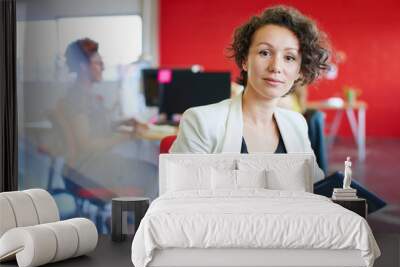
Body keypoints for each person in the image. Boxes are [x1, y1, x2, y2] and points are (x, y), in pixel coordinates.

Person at [170, 6, 385, 213]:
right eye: (265, 53)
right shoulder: (201, 121)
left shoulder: (296, 123)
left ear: (299, 70)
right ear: (245, 60)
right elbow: (177, 205)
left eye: (289, 57)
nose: (276, 67)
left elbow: (315, 186)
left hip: (289, 241)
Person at [51, 38, 158, 200]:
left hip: (91, 164)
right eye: (98, 63)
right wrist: (128, 136)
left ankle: (127, 217)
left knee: (149, 170)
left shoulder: (85, 95)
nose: (103, 67)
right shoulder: (77, 99)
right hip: (85, 172)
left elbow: (95, 127)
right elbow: (87, 144)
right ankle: (134, 221)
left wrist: (124, 122)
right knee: (154, 173)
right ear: (83, 66)